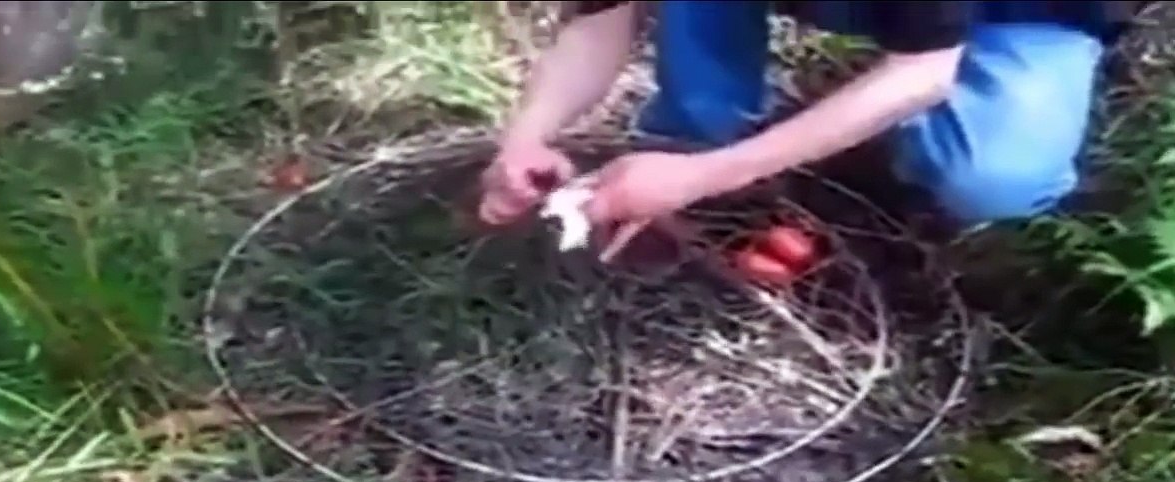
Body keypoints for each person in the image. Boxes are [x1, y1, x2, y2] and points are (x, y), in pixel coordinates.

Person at [476, 1, 1145, 249]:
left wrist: (707, 177)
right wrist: (527, 136)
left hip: (1029, 7)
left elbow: (923, 70)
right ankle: (693, 134)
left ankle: (882, 150)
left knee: (993, 178)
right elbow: (600, 18)